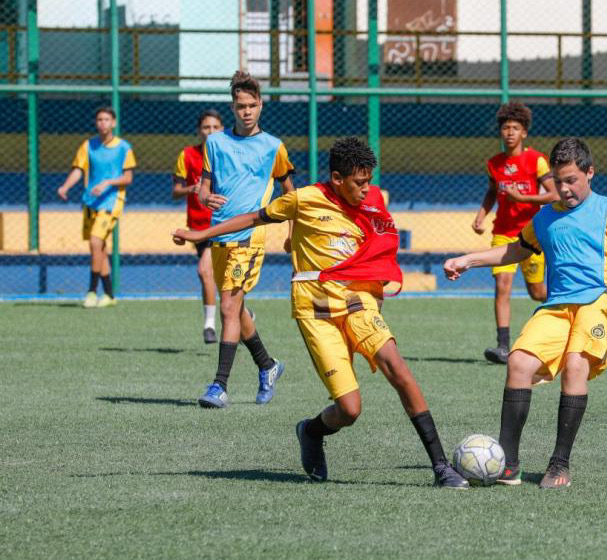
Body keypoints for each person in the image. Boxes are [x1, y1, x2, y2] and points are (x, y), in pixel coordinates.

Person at [173, 137, 468, 488]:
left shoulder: (371, 200)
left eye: (369, 180)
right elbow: (253, 218)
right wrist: (201, 233)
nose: (366, 189)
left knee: (397, 367)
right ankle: (311, 431)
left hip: (358, 301)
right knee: (350, 410)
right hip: (315, 309)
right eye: (359, 182)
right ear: (338, 178)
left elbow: (381, 245)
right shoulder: (304, 199)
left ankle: (441, 467)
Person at [445, 138, 607, 489]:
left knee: (575, 366)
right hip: (558, 305)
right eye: (559, 181)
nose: (564, 188)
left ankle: (559, 465)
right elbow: (516, 250)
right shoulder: (544, 217)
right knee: (518, 363)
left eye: (572, 180)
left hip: (601, 300)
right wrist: (468, 259)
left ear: (590, 173)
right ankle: (508, 464)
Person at [194, 70, 294, 408]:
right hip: (220, 234)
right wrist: (205, 197)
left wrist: (293, 232)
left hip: (250, 238)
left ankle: (219, 385)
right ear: (233, 108)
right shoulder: (216, 143)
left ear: (261, 105)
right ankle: (268, 365)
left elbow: (289, 191)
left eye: (252, 105)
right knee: (236, 310)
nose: (246, 111)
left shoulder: (273, 147)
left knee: (227, 307)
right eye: (240, 106)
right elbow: (204, 187)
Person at [471, 102, 558, 364]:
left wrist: (522, 197)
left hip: (532, 235)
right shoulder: (494, 164)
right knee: (502, 287)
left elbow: (553, 194)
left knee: (538, 293)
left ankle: (562, 327)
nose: (509, 132)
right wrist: (481, 214)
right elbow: (491, 192)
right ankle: (503, 347)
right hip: (503, 233)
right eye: (506, 127)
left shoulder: (537, 161)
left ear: (524, 133)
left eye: (515, 128)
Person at [55, 106, 136, 308]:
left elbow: (128, 178)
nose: (103, 123)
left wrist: (107, 183)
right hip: (91, 202)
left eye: (107, 119)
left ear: (114, 123)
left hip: (112, 202)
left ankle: (91, 291)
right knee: (98, 248)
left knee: (95, 242)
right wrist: (65, 186)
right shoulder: (88, 145)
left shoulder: (124, 147)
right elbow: (78, 170)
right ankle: (109, 295)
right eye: (99, 119)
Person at [171, 109, 225, 343]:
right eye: (206, 127)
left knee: (206, 271)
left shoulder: (228, 155)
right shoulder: (188, 155)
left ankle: (209, 325)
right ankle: (241, 314)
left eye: (215, 127)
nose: (210, 131)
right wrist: (189, 189)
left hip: (226, 224)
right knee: (214, 277)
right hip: (199, 227)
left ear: (222, 129)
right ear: (199, 131)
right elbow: (175, 191)